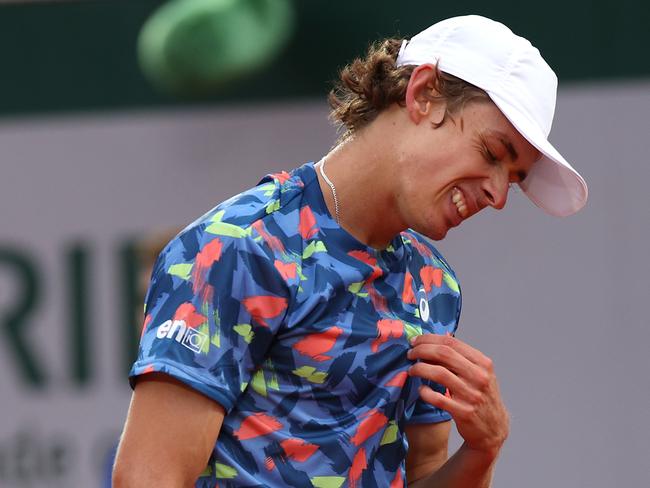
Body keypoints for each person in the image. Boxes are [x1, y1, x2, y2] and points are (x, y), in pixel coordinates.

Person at [112, 15, 587, 488]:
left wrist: (484, 450)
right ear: (423, 94)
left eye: (514, 177)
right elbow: (148, 478)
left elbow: (422, 474)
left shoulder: (434, 286)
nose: (499, 195)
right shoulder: (239, 246)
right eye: (491, 153)